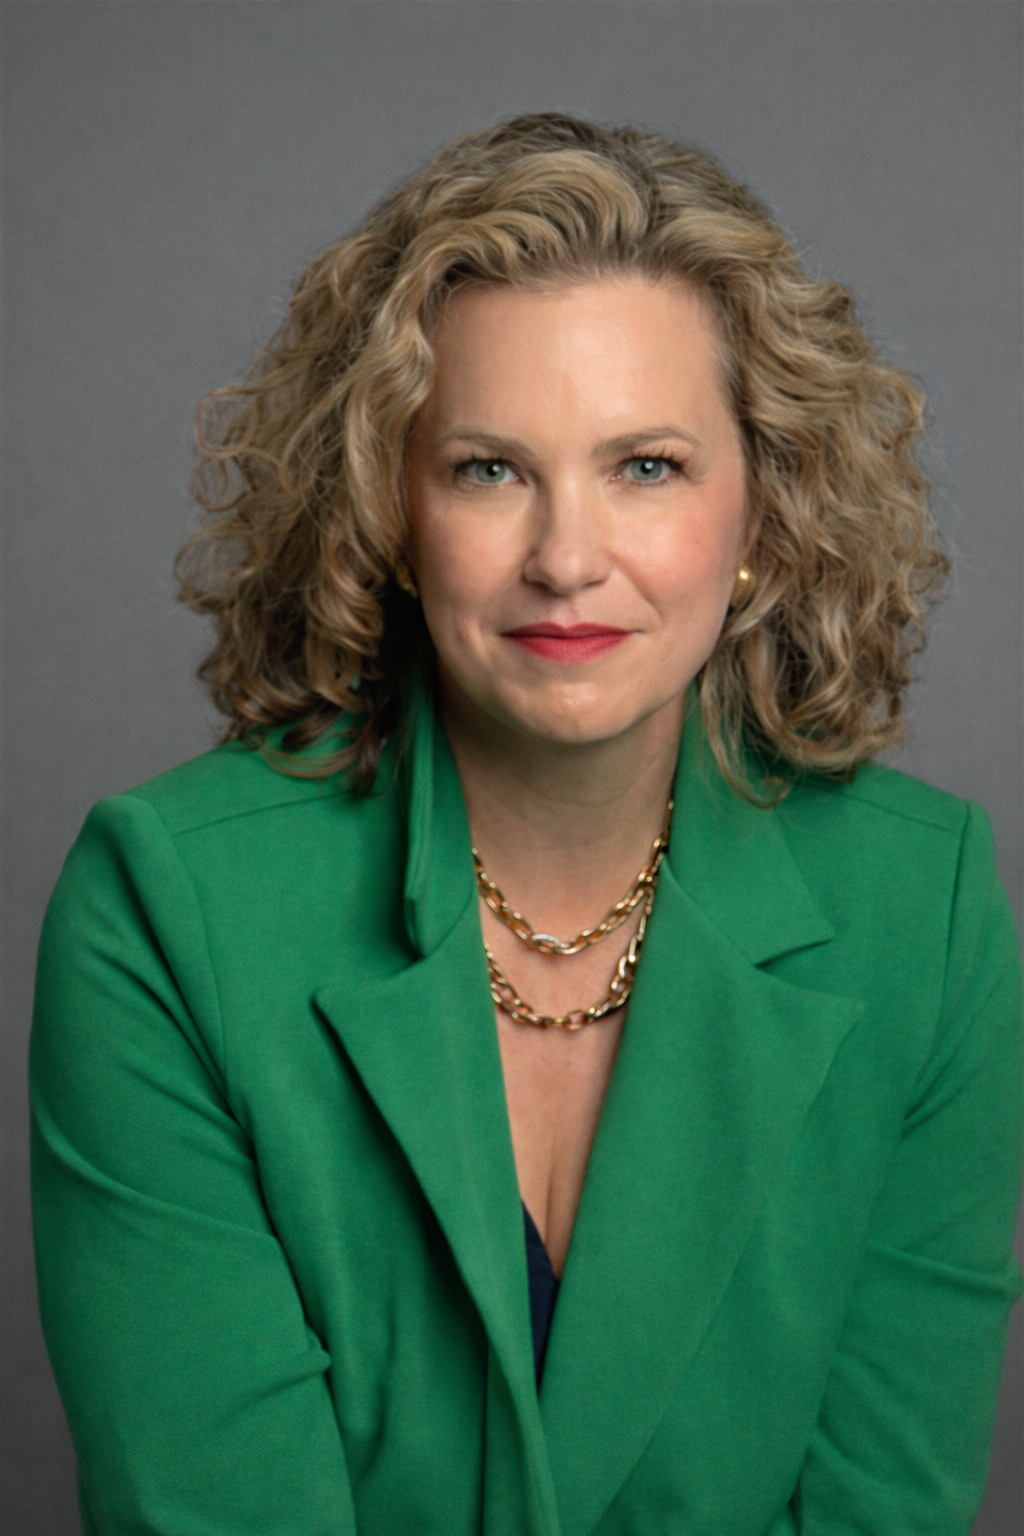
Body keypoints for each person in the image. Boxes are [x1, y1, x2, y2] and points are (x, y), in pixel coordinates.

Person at [31, 112, 1022, 1536]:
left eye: (647, 466)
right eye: (488, 469)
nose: (566, 558)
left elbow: (886, 1501)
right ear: (391, 511)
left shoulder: (923, 913)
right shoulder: (167, 909)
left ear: (763, 512)